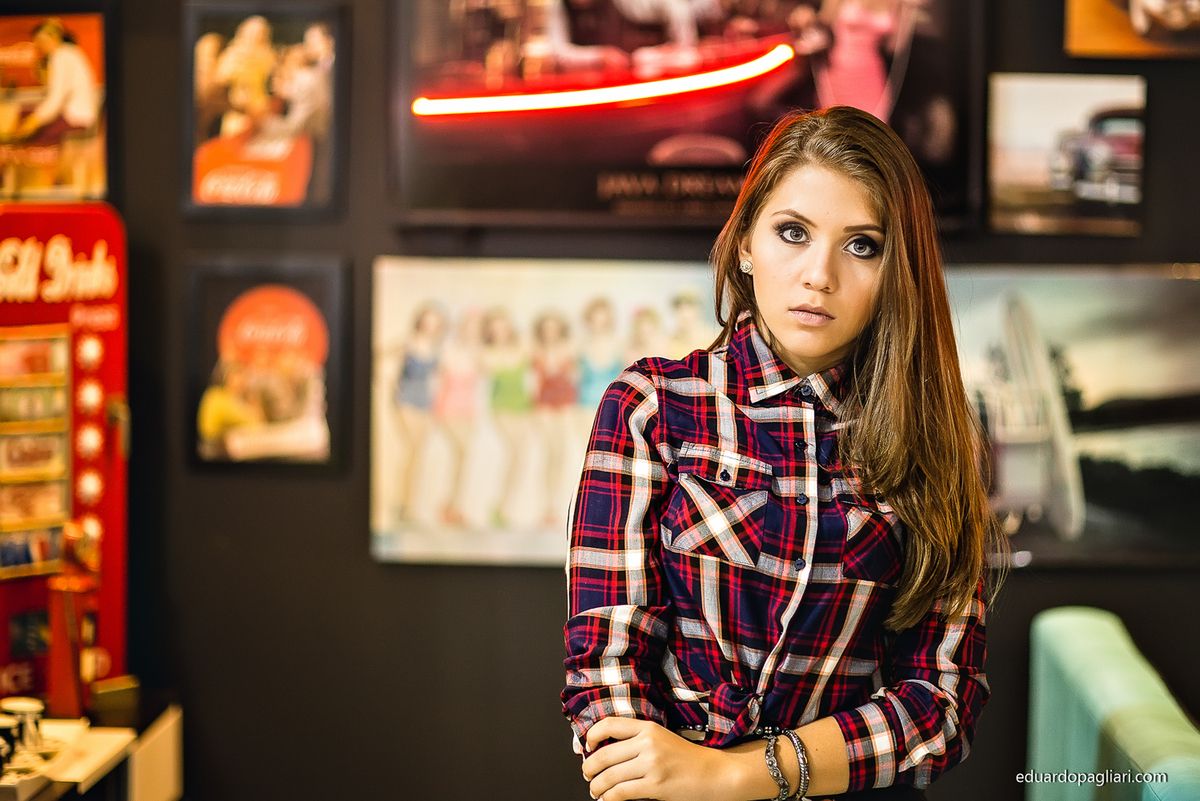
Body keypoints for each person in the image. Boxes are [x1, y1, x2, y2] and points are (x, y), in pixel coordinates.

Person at [562, 105, 1000, 801]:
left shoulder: (939, 439)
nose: (818, 274)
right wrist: (660, 777)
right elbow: (605, 663)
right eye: (793, 232)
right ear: (745, 243)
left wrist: (737, 775)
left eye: (862, 245)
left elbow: (939, 705)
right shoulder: (651, 407)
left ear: (898, 270)